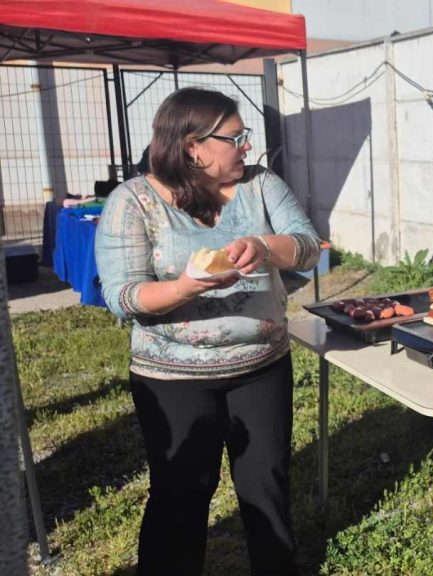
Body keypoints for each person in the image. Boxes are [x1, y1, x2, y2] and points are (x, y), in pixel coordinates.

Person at [95, 88, 321, 576]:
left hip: (261, 365)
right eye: (235, 138)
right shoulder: (134, 201)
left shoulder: (262, 186)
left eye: (245, 137)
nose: (246, 148)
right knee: (181, 490)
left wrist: (263, 246)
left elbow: (307, 248)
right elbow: (123, 294)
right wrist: (184, 287)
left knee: (267, 482)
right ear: (193, 146)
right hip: (172, 377)